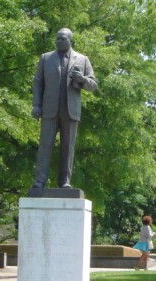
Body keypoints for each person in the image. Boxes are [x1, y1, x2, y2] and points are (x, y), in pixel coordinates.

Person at [31, 28, 98, 189]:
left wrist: (82, 80)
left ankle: (65, 181)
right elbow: (38, 82)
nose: (59, 41)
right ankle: (40, 180)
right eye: (57, 39)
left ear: (70, 40)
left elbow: (93, 85)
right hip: (49, 109)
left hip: (70, 110)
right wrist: (36, 105)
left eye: (62, 39)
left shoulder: (82, 60)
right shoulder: (46, 58)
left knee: (68, 147)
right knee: (45, 145)